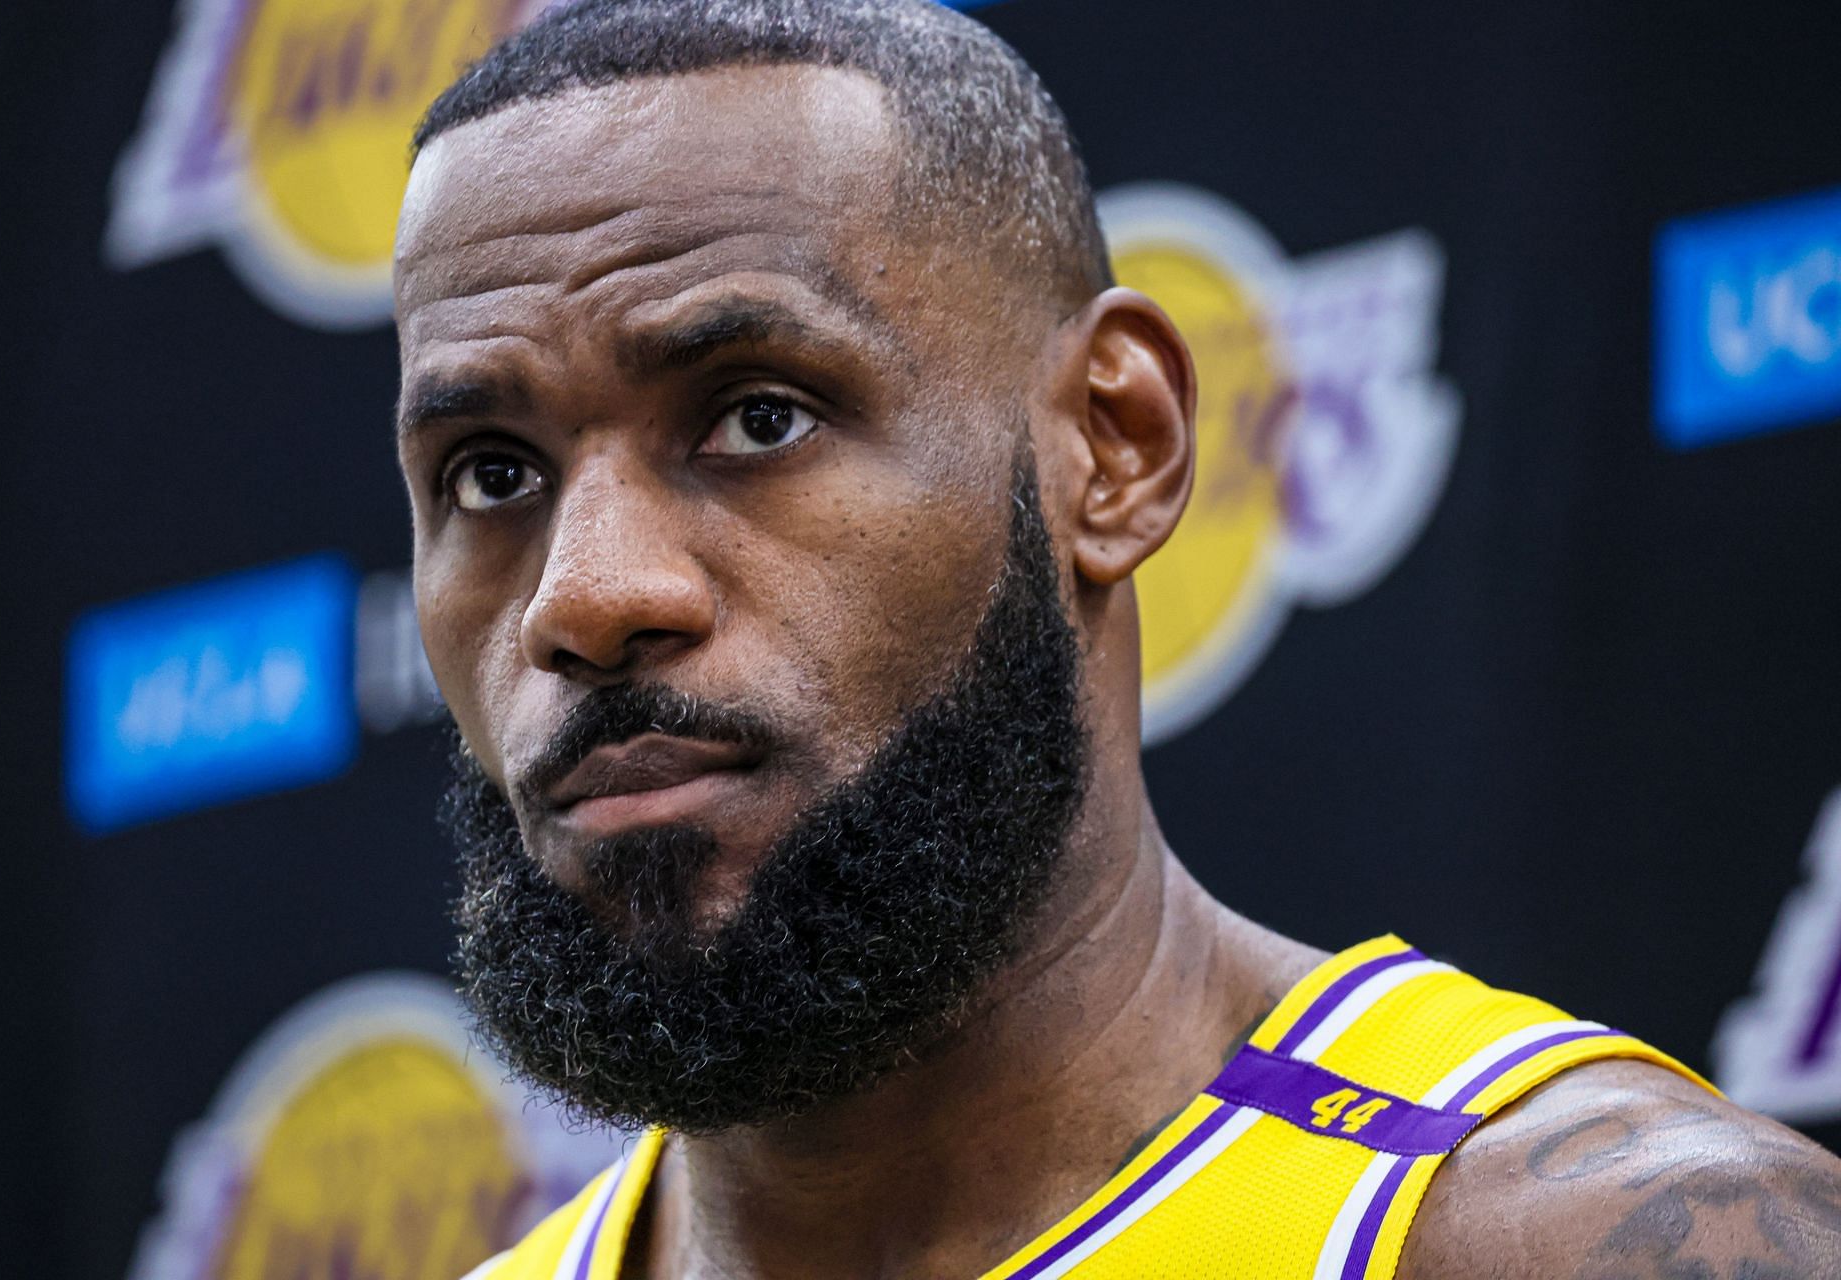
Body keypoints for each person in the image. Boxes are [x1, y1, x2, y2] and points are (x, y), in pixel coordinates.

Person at [391, 1, 1841, 1275]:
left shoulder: (1572, 1246)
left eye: (760, 416)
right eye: (491, 472)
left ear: (1115, 445)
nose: (582, 597)